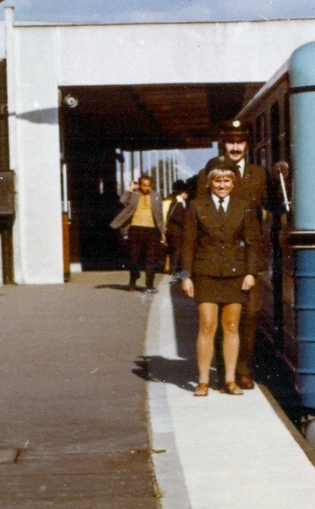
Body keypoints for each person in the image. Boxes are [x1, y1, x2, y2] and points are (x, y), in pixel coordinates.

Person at [180, 158, 261, 396]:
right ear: (209, 182)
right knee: (207, 325)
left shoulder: (244, 205)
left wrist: (251, 272)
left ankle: (229, 379)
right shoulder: (196, 206)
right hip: (205, 273)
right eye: (218, 180)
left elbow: (253, 243)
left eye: (227, 180)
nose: (222, 185)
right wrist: (186, 276)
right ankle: (203, 380)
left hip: (235, 274)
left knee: (232, 326)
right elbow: (188, 244)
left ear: (234, 183)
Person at [198, 120, 268, 388]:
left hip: (247, 257)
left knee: (249, 314)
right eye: (231, 141)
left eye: (240, 141)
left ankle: (243, 368)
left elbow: (272, 208)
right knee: (216, 316)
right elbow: (200, 209)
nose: (236, 146)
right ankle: (222, 371)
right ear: (223, 144)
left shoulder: (258, 174)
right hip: (216, 260)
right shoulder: (210, 171)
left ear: (246, 145)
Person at [110, 174, 165, 293]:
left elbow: (160, 216)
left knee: (151, 259)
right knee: (133, 257)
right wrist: (130, 189)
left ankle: (149, 285)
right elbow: (122, 200)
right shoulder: (134, 194)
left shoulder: (156, 196)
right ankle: (133, 280)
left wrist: (163, 232)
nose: (147, 188)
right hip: (135, 229)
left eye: (149, 186)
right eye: (144, 185)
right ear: (139, 185)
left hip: (151, 230)